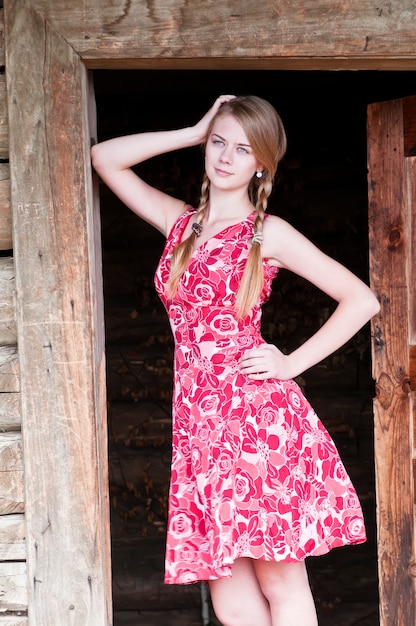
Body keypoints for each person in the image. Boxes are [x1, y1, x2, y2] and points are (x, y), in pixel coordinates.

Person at [91, 94, 380, 626]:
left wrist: (291, 363)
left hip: (255, 418)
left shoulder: (267, 233)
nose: (225, 157)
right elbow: (105, 158)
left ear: (261, 164)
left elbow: (361, 299)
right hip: (199, 424)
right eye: (219, 143)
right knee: (230, 598)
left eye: (242, 149)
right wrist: (194, 129)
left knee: (278, 576)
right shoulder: (179, 224)